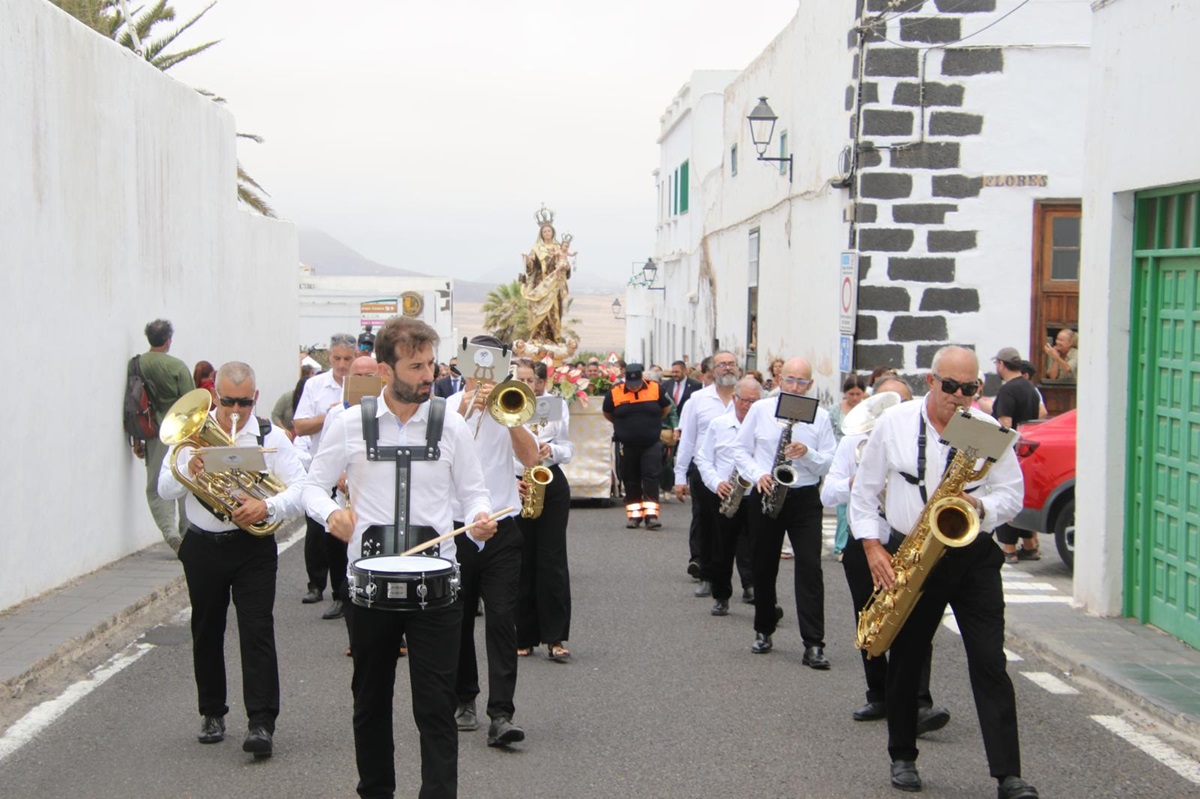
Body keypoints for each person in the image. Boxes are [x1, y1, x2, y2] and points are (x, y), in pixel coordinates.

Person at [303, 317, 496, 799]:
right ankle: (376, 791)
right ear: (387, 370)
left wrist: (480, 517)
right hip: (368, 586)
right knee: (369, 702)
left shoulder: (451, 423)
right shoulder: (349, 423)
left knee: (435, 706)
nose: (428, 375)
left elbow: (473, 493)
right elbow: (311, 485)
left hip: (438, 588)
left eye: (430, 364)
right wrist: (332, 515)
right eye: (416, 366)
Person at [850, 346, 1037, 799]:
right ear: (931, 381)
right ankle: (903, 756)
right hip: (911, 551)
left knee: (990, 661)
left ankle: (1008, 775)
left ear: (979, 387)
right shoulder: (895, 424)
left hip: (970, 555)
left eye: (968, 388)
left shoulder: (986, 430)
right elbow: (865, 490)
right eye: (949, 386)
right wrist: (873, 547)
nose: (958, 397)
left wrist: (980, 504)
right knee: (908, 657)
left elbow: (1011, 495)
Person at [159, 361, 306, 758]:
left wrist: (267, 506)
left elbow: (301, 490)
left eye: (243, 402)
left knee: (257, 631)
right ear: (215, 395)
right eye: (227, 402)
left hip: (252, 550)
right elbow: (165, 487)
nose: (235, 411)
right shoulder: (193, 436)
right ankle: (212, 713)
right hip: (204, 546)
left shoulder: (271, 436)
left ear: (255, 398)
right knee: (206, 630)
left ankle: (261, 722)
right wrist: (188, 466)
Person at [823, 378, 952, 734]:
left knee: (916, 621)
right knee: (870, 618)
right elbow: (827, 492)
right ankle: (878, 694)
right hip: (866, 541)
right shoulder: (853, 441)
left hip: (908, 542)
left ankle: (919, 702)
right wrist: (859, 482)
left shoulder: (925, 440)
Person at [449, 335, 540, 748]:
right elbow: (438, 452)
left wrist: (509, 417)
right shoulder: (448, 408)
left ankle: (501, 714)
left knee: (502, 620)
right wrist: (470, 405)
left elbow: (532, 459)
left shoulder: (514, 402)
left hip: (503, 526)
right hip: (456, 528)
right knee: (459, 619)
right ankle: (464, 697)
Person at [734, 357, 836, 666]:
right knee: (764, 566)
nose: (793, 386)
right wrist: (758, 474)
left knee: (809, 568)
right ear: (779, 379)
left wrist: (808, 453)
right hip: (767, 492)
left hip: (803, 496)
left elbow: (829, 461)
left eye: (800, 382)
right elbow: (739, 449)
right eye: (789, 380)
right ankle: (764, 628)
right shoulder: (762, 410)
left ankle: (814, 643)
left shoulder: (819, 417)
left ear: (810, 385)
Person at [513, 361, 574, 662]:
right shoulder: (506, 405)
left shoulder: (556, 406)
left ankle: (555, 637)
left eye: (532, 379)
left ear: (540, 382)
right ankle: (522, 636)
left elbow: (568, 449)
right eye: (520, 379)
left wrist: (552, 451)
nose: (527, 385)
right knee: (522, 559)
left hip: (550, 480)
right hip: (516, 483)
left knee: (552, 560)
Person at [293, 333, 357, 618]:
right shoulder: (315, 385)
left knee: (347, 537)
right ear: (329, 358)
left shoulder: (370, 387)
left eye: (348, 359)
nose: (342, 365)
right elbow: (300, 425)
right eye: (337, 358)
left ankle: (345, 594)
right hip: (326, 468)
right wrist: (332, 414)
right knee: (319, 533)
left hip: (355, 472)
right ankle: (317, 584)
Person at [673, 351, 746, 599]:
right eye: (722, 365)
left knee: (746, 531)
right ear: (712, 371)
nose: (727, 368)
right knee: (707, 525)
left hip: (741, 474)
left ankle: (749, 583)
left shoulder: (748, 400)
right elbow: (688, 440)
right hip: (706, 473)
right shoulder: (697, 400)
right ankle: (706, 575)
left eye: (731, 364)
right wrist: (679, 477)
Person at [695, 377, 762, 615]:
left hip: (755, 493)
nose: (749, 406)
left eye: (754, 401)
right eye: (744, 400)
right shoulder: (719, 424)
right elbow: (703, 458)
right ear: (734, 398)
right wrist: (716, 483)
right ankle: (721, 594)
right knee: (722, 548)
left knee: (754, 546)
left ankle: (751, 586)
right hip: (726, 492)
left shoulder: (763, 425)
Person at [136, 319, 195, 552]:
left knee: (155, 485)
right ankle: (186, 533)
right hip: (179, 432)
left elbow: (132, 403)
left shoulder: (137, 364)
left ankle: (169, 532)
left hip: (152, 432)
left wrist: (137, 437)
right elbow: (191, 403)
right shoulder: (177, 366)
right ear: (168, 340)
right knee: (183, 479)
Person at [603, 363, 672, 529]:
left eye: (637, 384)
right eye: (630, 384)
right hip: (627, 445)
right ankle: (634, 516)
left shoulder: (655, 388)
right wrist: (623, 427)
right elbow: (608, 413)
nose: (634, 388)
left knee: (650, 477)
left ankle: (651, 515)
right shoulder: (615, 392)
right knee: (631, 480)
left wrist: (652, 424)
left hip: (651, 443)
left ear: (642, 378)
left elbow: (666, 408)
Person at [991, 348, 1044, 564]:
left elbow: (1005, 423)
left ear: (1002, 364)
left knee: (1005, 494)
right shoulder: (1029, 387)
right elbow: (1041, 414)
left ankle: (1009, 549)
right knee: (1023, 497)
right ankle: (1030, 546)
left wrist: (997, 452)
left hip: (1011, 450)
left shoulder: (1008, 390)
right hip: (1028, 449)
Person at [828, 374, 868, 558]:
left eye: (858, 394)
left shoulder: (868, 410)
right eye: (851, 394)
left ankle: (852, 542)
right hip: (840, 457)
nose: (854, 398)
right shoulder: (835, 410)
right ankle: (840, 545)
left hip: (860, 455)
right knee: (842, 507)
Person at [520, 214, 572, 343]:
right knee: (540, 310)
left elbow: (565, 261)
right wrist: (528, 261)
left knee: (554, 309)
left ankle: (554, 337)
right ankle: (539, 336)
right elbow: (531, 268)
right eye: (544, 231)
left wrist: (565, 266)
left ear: (553, 232)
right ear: (541, 234)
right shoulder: (537, 248)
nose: (547, 233)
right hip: (541, 283)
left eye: (549, 231)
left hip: (555, 283)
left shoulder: (559, 247)